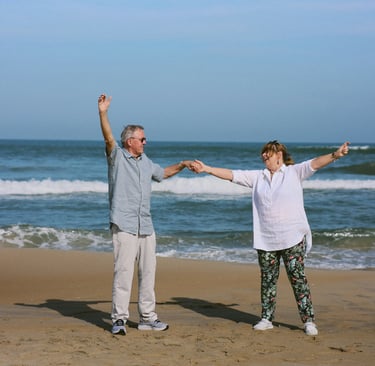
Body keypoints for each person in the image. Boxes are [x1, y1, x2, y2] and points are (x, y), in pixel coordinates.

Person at [192, 140, 350, 336]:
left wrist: (335, 155)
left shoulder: (294, 172)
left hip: (292, 238)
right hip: (266, 240)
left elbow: (316, 163)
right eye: (263, 153)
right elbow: (232, 175)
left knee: (298, 280)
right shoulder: (258, 177)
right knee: (268, 281)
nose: (264, 156)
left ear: (279, 155)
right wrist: (207, 168)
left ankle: (308, 321)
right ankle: (267, 318)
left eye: (268, 152)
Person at [98, 94, 194, 335]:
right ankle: (119, 319)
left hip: (146, 226)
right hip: (124, 223)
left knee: (148, 273)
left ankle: (147, 318)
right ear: (130, 141)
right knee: (123, 273)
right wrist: (103, 113)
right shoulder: (117, 157)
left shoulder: (145, 161)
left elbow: (163, 174)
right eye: (142, 139)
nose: (145, 142)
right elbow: (108, 138)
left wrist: (182, 164)